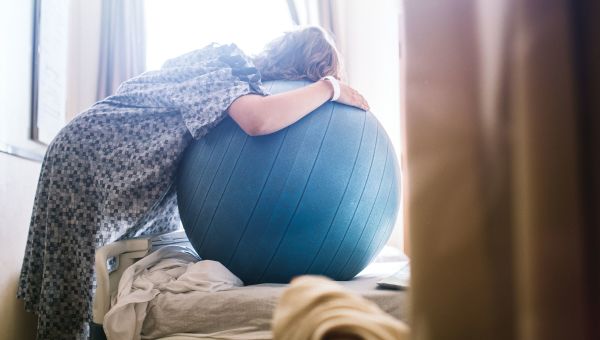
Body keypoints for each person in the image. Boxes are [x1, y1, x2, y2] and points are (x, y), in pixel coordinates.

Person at [17, 25, 369, 339]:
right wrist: (330, 88)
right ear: (302, 69)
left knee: (81, 272)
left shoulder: (232, 74)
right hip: (92, 155)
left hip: (104, 154)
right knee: (74, 278)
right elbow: (258, 121)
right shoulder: (226, 65)